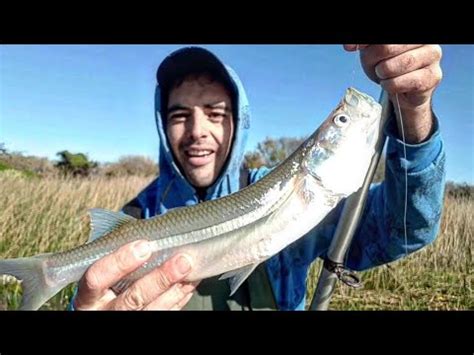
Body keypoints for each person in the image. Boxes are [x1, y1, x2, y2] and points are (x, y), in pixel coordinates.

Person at [69, 45, 445, 310]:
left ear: (239, 122)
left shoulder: (297, 195)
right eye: (180, 115)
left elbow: (406, 228)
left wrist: (412, 111)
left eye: (215, 113)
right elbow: (95, 297)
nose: (198, 130)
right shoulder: (135, 218)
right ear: (162, 125)